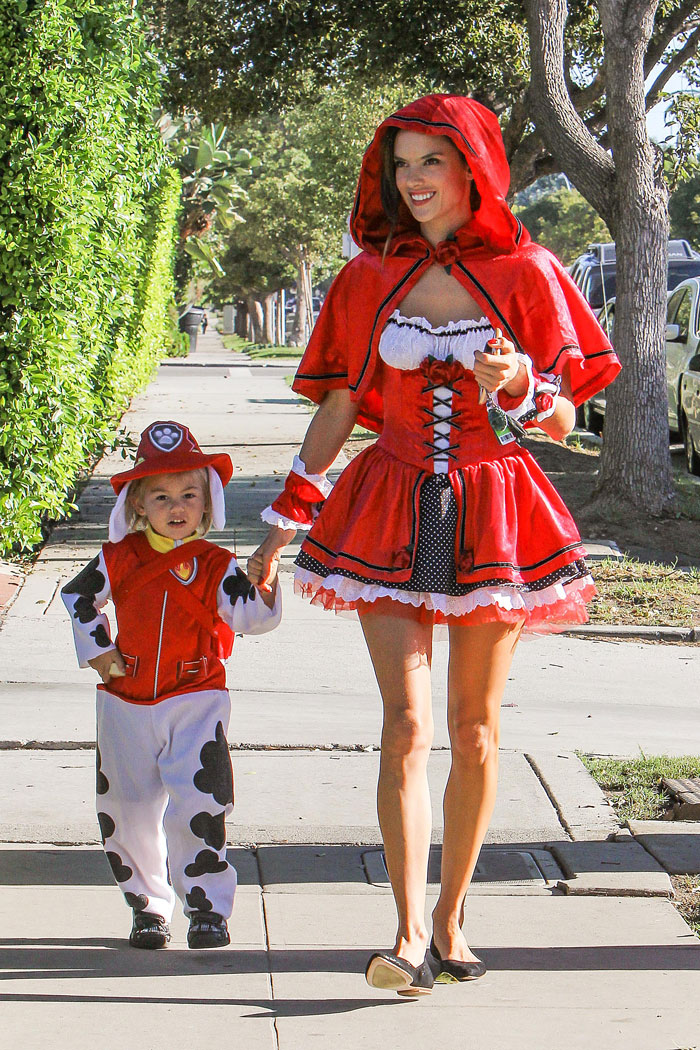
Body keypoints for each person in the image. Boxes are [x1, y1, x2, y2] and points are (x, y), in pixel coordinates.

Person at [248, 95, 620, 996]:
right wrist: (280, 526)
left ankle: (455, 918)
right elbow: (338, 404)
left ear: (473, 170)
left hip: (494, 507)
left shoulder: (529, 273)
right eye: (401, 165)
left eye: (431, 163)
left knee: (475, 731)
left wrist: (525, 386)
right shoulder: (368, 278)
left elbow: (567, 422)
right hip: (390, 500)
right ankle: (408, 931)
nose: (413, 182)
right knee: (405, 727)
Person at [62, 421, 281, 950]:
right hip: (126, 702)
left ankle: (206, 907)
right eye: (160, 496)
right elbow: (79, 596)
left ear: (208, 504)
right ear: (138, 505)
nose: (176, 505)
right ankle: (148, 906)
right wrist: (100, 650)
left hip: (197, 699)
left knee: (200, 803)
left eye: (189, 494)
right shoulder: (118, 559)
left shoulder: (218, 565)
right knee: (127, 809)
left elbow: (253, 619)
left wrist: (265, 577)